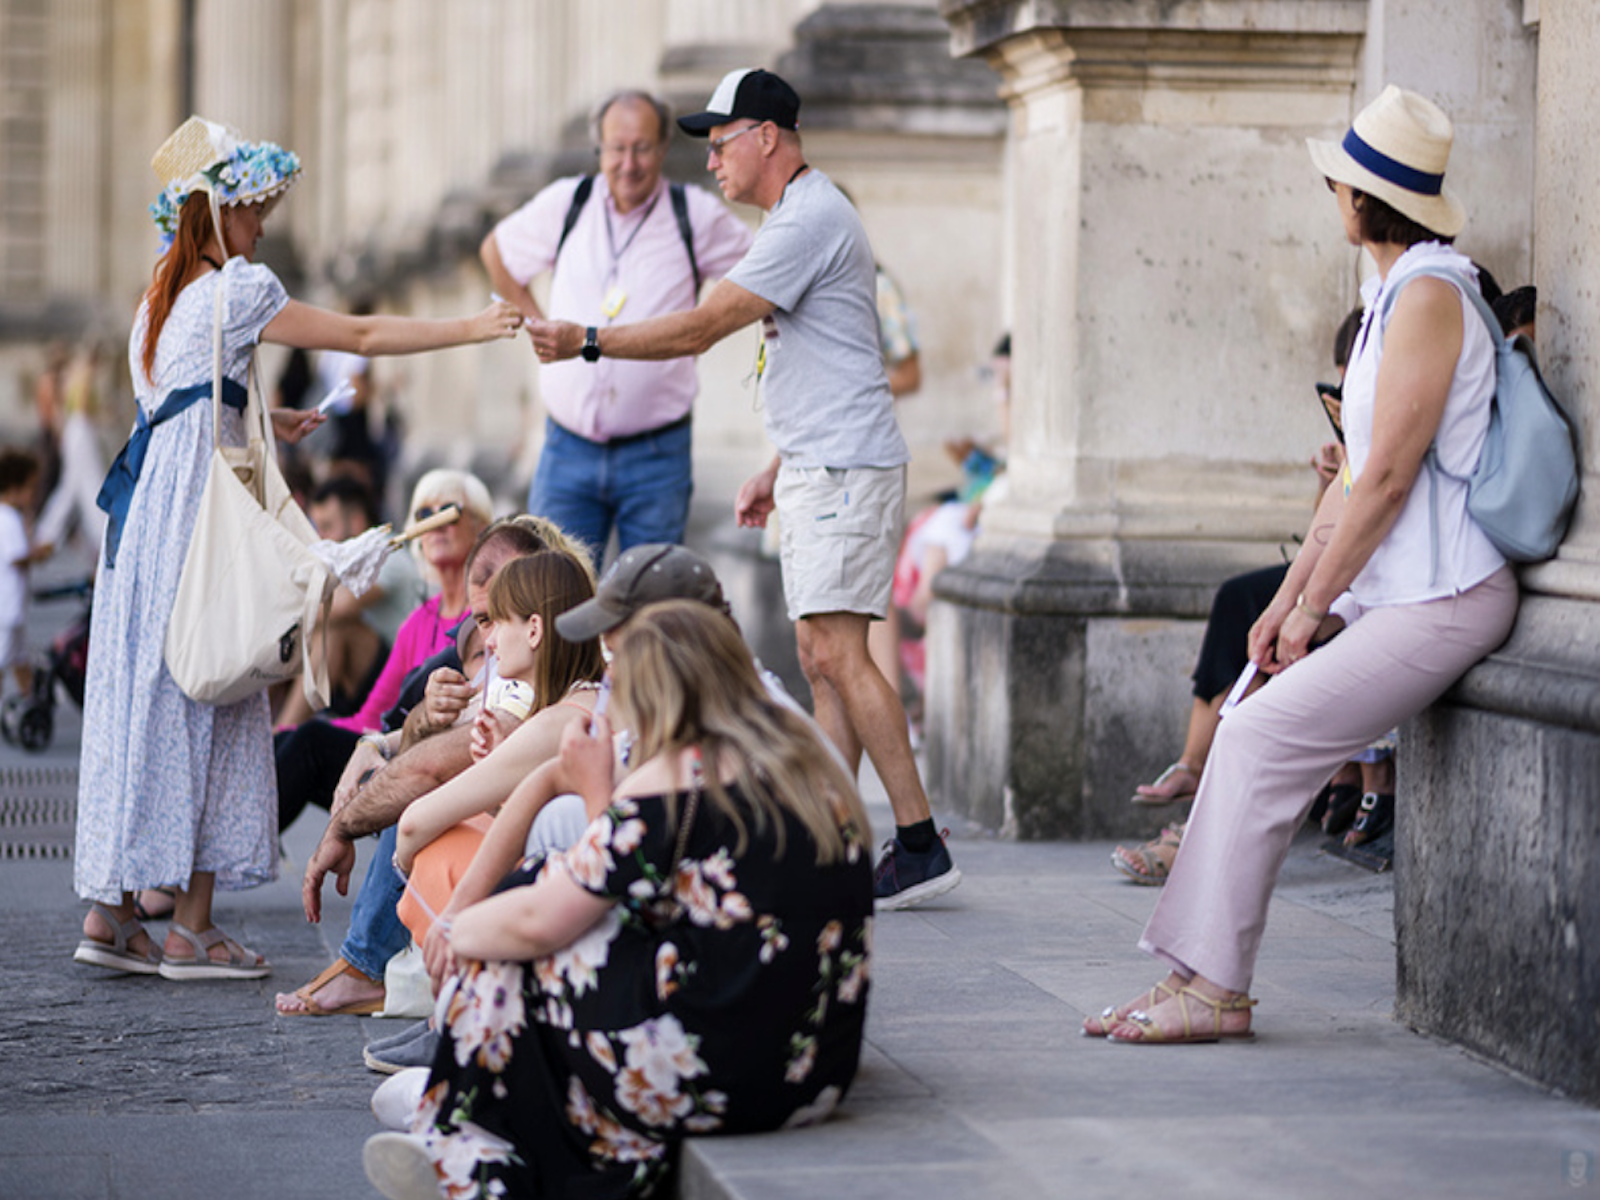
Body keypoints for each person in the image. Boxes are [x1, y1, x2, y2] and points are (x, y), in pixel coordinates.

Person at [1087, 86, 1519, 1043]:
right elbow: (1352, 480)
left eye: (1341, 182)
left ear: (1362, 199)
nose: (1334, 194)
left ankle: (1216, 987)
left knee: (1251, 738)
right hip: (1400, 597)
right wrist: (1286, 600)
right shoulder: (1394, 295)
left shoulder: (1434, 296)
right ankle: (1196, 976)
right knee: (1245, 722)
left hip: (1448, 597)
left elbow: (1389, 480)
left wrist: (1309, 607)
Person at [71, 116, 523, 982]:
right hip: (203, 528)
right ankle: (192, 930)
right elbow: (360, 336)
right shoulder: (239, 289)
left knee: (144, 703)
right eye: (256, 209)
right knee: (226, 685)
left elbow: (178, 415)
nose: (265, 225)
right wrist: (470, 327)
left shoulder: (154, 308)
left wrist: (263, 420)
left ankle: (116, 910)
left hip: (145, 531)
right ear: (223, 212)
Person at [527, 68, 961, 909]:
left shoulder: (808, 219)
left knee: (840, 652)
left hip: (844, 467)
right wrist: (776, 463)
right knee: (819, 657)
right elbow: (828, 357)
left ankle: (917, 843)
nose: (712, 163)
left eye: (721, 144)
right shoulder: (795, 217)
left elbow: (701, 327)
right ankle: (830, 836)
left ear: (769, 137)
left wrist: (588, 339)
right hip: (820, 462)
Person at [361, 600, 874, 1200]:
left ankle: (458, 1138)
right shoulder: (809, 766)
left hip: (715, 1078)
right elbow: (639, 893)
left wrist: (455, 932)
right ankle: (463, 1116)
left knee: (519, 922)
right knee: (550, 907)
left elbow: (540, 921)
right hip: (810, 1076)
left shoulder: (680, 777)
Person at [275, 518, 584, 1017]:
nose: (486, 642)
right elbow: (405, 727)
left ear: (535, 621)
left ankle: (399, 979)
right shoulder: (488, 651)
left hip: (554, 878)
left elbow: (430, 776)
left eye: (497, 619)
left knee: (415, 809)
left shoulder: (550, 693)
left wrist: (347, 827)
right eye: (481, 621)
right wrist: (381, 739)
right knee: (339, 756)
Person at [482, 89, 753, 555]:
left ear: (664, 148)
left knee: (650, 606)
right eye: (616, 148)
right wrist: (537, 324)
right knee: (552, 598)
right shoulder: (567, 203)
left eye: (642, 148)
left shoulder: (696, 216)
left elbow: (763, 273)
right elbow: (496, 251)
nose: (628, 163)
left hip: (657, 455)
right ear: (600, 150)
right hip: (567, 448)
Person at [273, 468, 492, 834]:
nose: (436, 524)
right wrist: (288, 734)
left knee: (310, 741)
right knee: (297, 737)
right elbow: (374, 716)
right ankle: (225, 844)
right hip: (396, 754)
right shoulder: (419, 621)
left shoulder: (486, 620)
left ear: (481, 529)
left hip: (447, 769)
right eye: (424, 514)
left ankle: (225, 849)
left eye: (448, 511)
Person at [275, 475, 427, 726]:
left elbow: (338, 608)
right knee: (294, 633)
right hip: (365, 676)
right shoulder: (344, 561)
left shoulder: (387, 553)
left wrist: (274, 606)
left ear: (356, 521)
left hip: (403, 677)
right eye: (317, 527)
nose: (320, 538)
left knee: (334, 629)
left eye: (327, 527)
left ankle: (282, 732)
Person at [0, 447, 53, 697]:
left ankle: (31, 705)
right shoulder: (8, 518)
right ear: (14, 489)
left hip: (13, 610)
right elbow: (17, 556)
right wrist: (40, 553)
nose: (35, 495)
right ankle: (30, 703)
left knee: (20, 660)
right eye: (31, 488)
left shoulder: (12, 516)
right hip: (6, 611)